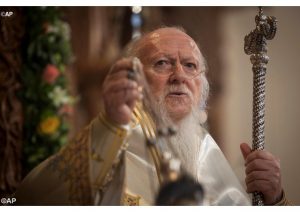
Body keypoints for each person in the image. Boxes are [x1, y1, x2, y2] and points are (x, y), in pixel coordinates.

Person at [15, 27, 289, 206]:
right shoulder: (107, 144)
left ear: (202, 84)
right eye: (162, 63)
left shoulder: (206, 150)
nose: (179, 75)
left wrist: (274, 199)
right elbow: (31, 199)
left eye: (190, 65)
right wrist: (109, 128)